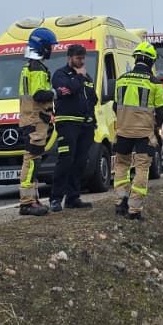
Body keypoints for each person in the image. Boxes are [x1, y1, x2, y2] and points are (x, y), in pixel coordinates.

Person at [111, 41, 163, 219]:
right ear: (151, 62)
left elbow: (115, 106)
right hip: (144, 133)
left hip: (123, 131)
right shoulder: (155, 83)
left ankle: (120, 202)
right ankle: (134, 209)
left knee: (121, 165)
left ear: (135, 59)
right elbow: (161, 111)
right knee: (142, 168)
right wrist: (156, 127)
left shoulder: (120, 80)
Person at [49, 43, 98, 212]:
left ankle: (73, 197)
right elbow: (67, 90)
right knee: (66, 160)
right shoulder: (60, 75)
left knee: (80, 162)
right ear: (69, 58)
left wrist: (93, 120)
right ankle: (55, 199)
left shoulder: (87, 76)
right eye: (78, 58)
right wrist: (77, 78)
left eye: (83, 58)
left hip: (85, 125)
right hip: (67, 123)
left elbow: (93, 99)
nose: (81, 61)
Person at [16, 27, 58, 216]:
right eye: (50, 46)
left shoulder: (28, 66)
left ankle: (32, 198)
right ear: (41, 46)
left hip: (30, 118)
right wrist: (57, 92)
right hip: (35, 120)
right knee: (32, 160)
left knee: (33, 160)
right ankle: (27, 202)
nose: (52, 50)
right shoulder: (37, 69)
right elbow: (39, 95)